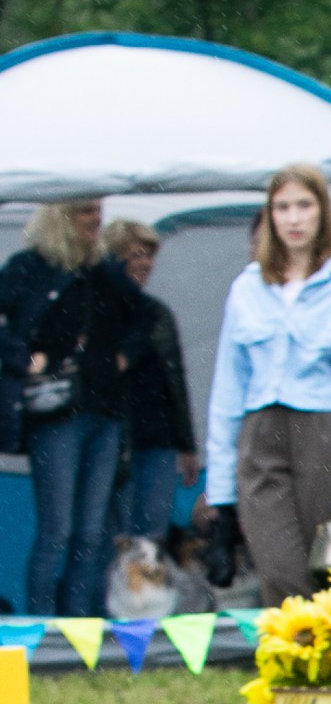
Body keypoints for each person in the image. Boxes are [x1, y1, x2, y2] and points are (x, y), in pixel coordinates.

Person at [204, 164, 331, 608]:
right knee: (279, 567)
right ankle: (297, 665)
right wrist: (221, 494)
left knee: (326, 567)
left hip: (320, 436)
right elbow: (227, 394)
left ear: (323, 213)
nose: (294, 218)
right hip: (260, 438)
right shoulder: (246, 289)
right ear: (269, 217)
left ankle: (326, 666)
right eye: (282, 207)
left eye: (304, 205)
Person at [0, 200, 153, 614]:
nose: (96, 219)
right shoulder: (28, 268)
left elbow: (146, 313)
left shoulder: (101, 270)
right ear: (59, 215)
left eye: (98, 210)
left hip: (104, 414)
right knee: (58, 529)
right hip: (54, 418)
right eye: (85, 210)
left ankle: (77, 629)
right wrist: (22, 358)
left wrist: (124, 355)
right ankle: (41, 629)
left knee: (90, 533)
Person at [102, 220, 200, 541]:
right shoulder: (101, 309)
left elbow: (175, 381)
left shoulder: (159, 314)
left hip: (159, 440)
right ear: (115, 258)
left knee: (153, 536)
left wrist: (186, 444)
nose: (146, 264)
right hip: (117, 442)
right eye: (137, 255)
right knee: (118, 538)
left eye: (150, 256)